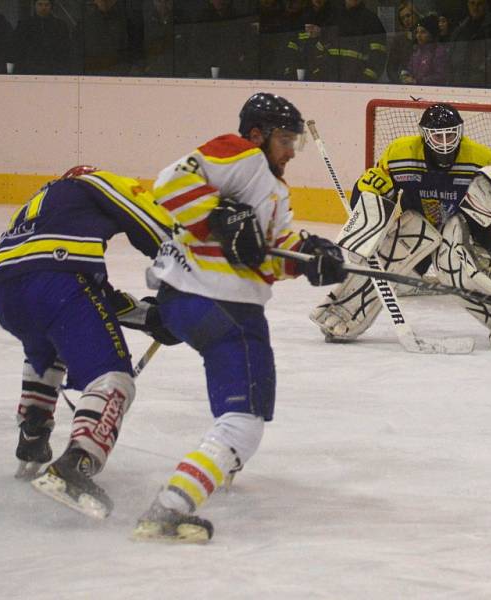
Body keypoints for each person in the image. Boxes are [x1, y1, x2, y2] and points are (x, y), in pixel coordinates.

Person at [132, 93, 347, 543]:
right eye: (285, 139)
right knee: (245, 421)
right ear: (257, 134)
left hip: (186, 302)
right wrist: (218, 220)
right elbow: (168, 186)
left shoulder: (273, 190)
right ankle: (171, 507)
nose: (291, 150)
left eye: (295, 141)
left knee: (232, 406)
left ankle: (218, 464)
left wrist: (308, 257)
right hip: (223, 307)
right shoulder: (242, 154)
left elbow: (264, 256)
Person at [0, 166, 178, 518]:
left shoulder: (39, 204)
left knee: (51, 340)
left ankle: (33, 433)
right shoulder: (95, 181)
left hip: (4, 292)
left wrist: (149, 317)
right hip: (57, 281)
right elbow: (157, 228)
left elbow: (90, 297)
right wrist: (187, 290)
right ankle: (77, 462)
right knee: (112, 377)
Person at [310, 103, 491, 349]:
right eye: (438, 135)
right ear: (424, 134)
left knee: (458, 264)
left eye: (451, 134)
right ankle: (345, 312)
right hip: (418, 226)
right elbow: (372, 188)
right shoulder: (401, 153)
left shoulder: (481, 160)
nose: (445, 142)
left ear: (461, 132)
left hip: (464, 230)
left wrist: (482, 255)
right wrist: (366, 217)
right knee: (396, 249)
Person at [448, 0, 491, 86]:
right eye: (472, 3)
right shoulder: (459, 31)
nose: (475, 7)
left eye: (479, 4)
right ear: (468, 5)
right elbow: (450, 57)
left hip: (485, 85)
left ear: (486, 5)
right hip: (459, 83)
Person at [12, 0, 73, 74]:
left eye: (46, 5)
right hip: (29, 70)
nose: (43, 8)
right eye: (40, 4)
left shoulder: (60, 26)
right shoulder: (24, 25)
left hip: (54, 70)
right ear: (35, 6)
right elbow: (18, 49)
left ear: (51, 6)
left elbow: (65, 49)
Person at [400, 13, 450, 84]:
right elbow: (409, 68)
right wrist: (405, 75)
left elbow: (440, 76)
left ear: (431, 34)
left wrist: (417, 81)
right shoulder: (416, 51)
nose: (418, 36)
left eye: (423, 32)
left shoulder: (438, 51)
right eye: (417, 32)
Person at [386, 0, 420, 83]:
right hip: (404, 83)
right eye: (403, 18)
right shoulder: (399, 40)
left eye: (408, 16)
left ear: (416, 15)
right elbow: (391, 68)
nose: (406, 20)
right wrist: (399, 82)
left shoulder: (426, 35)